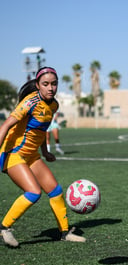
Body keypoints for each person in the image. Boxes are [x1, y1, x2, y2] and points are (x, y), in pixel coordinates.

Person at [0, 67, 86, 247]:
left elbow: (41, 130)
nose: (50, 88)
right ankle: (4, 228)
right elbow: (6, 125)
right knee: (33, 192)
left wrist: (45, 152)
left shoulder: (54, 105)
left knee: (55, 191)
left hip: (32, 155)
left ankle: (64, 233)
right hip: (13, 153)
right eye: (45, 84)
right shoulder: (29, 102)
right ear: (38, 85)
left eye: (54, 84)